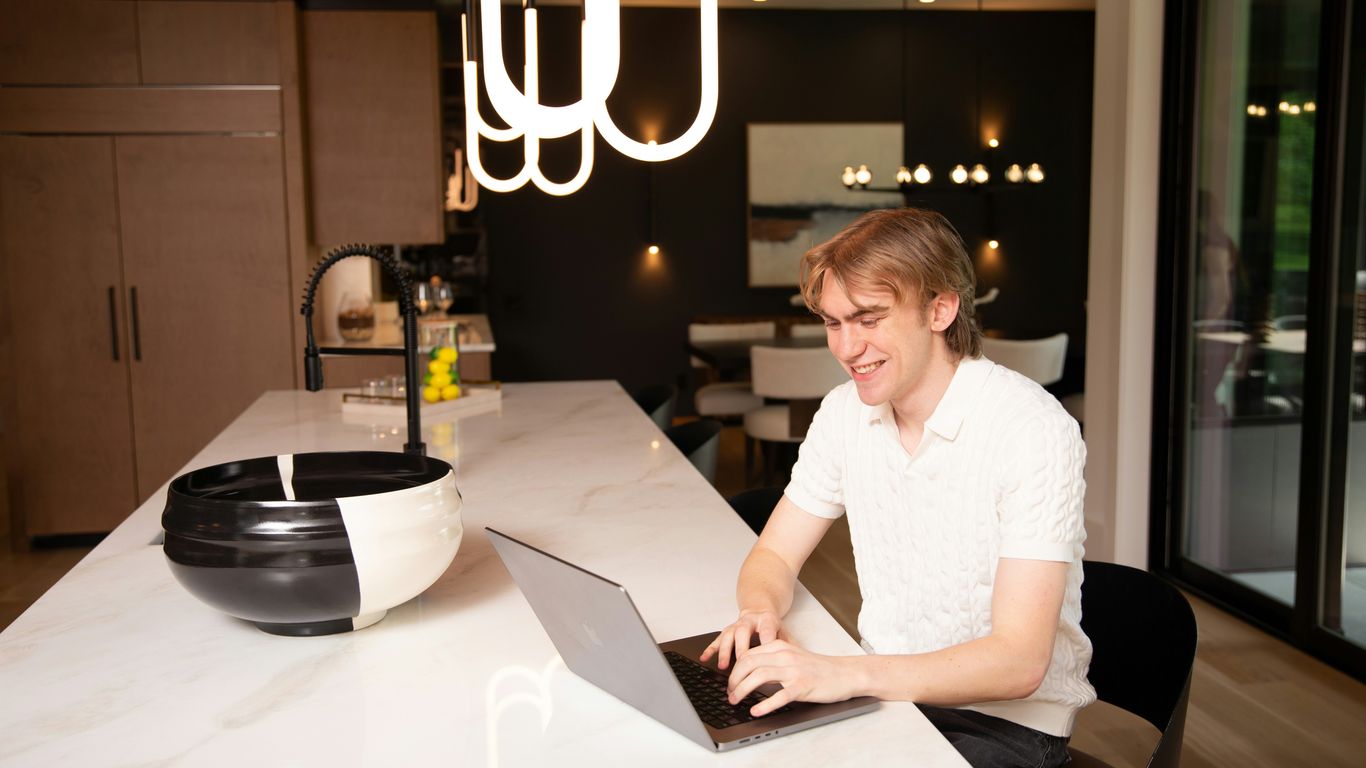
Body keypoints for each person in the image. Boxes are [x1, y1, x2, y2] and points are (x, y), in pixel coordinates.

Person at [700, 208, 1094, 768]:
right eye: (834, 323)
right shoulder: (842, 415)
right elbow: (773, 555)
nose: (846, 347)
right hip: (889, 696)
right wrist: (757, 612)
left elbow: (1020, 663)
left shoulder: (1031, 428)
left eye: (869, 319)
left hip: (1006, 727)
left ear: (941, 309)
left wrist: (843, 674)